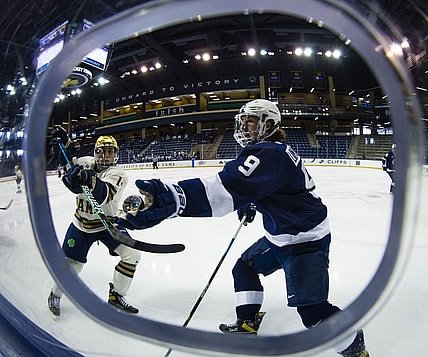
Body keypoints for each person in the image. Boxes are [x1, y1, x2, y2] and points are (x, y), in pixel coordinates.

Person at [118, 99, 369, 356]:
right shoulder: (273, 151)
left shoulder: (270, 153)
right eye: (244, 120)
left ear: (269, 124)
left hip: (304, 241)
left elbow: (225, 188)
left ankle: (354, 348)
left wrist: (171, 198)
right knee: (245, 267)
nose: (244, 125)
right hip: (282, 234)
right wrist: (252, 200)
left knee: (313, 313)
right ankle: (247, 321)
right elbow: (265, 187)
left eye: (251, 120)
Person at [48, 128, 141, 317]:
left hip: (107, 225)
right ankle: (55, 294)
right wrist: (63, 149)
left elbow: (102, 195)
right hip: (81, 224)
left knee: (132, 254)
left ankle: (116, 296)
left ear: (115, 154)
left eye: (110, 151)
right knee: (73, 264)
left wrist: (88, 178)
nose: (106, 155)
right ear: (95, 153)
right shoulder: (85, 163)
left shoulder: (118, 173)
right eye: (101, 151)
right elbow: (68, 172)